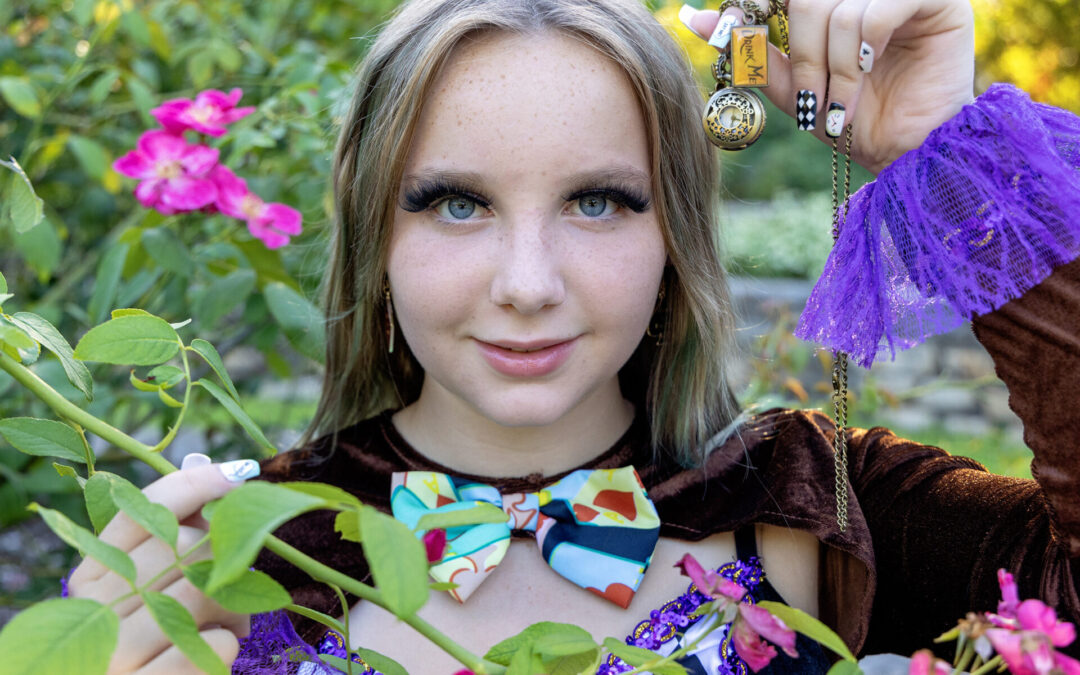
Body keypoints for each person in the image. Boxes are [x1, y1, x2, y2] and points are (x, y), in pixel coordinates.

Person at [68, 0, 1080, 672]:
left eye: (598, 202)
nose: (527, 285)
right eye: (455, 204)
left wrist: (947, 148)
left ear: (676, 236)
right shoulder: (239, 552)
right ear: (374, 233)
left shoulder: (815, 504)